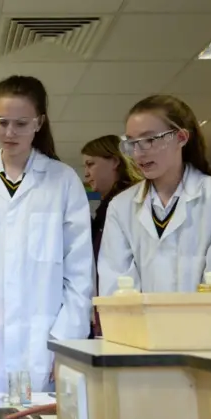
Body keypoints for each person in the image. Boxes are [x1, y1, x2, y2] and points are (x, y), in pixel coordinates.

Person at [0, 75, 93, 393]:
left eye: (21, 123)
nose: (10, 132)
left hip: (44, 344)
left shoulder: (63, 182)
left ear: (39, 123)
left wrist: (66, 344)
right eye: (2, 121)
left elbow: (79, 275)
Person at [98, 95, 211, 296]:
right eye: (132, 143)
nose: (138, 153)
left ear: (181, 138)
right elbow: (116, 287)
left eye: (149, 140)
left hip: (206, 324)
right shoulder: (121, 207)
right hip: (139, 327)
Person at [81, 135, 142, 336]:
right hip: (109, 308)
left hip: (129, 310)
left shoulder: (132, 204)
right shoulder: (104, 210)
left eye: (91, 164)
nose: (86, 174)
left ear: (115, 161)